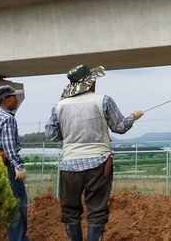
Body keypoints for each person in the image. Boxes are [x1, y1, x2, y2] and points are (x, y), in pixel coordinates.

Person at [44, 65, 144, 241]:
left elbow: (52, 135)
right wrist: (133, 116)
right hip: (99, 164)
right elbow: (120, 127)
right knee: (97, 210)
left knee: (70, 210)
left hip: (69, 165)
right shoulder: (103, 100)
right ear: (90, 83)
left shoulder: (59, 106)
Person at [0, 85, 30, 241]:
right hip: (4, 163)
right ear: (5, 100)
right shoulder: (7, 118)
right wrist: (18, 166)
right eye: (14, 97)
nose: (16, 100)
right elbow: (8, 145)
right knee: (16, 202)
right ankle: (18, 238)